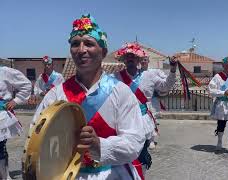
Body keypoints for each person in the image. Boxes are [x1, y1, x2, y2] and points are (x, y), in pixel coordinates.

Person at [31, 14, 145, 180]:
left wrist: (99, 145)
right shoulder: (56, 94)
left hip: (111, 173)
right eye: (75, 44)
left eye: (89, 44)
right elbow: (37, 136)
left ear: (103, 51)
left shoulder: (120, 92)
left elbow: (134, 142)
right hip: (66, 174)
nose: (81, 50)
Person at [113, 43, 177, 172]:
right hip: (122, 122)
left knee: (141, 156)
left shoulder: (149, 76)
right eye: (127, 56)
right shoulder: (115, 77)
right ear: (124, 59)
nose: (130, 58)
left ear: (139, 59)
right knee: (123, 159)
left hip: (142, 122)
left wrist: (173, 70)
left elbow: (165, 86)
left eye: (133, 56)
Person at [0, 66, 32, 179]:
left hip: (1, 117)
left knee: (0, 147)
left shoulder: (4, 71)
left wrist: (16, 100)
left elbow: (26, 84)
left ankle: (4, 176)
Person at [208, 56, 228, 155]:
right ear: (223, 65)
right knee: (221, 125)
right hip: (222, 105)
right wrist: (223, 93)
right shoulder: (217, 77)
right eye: (227, 65)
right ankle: (219, 142)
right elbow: (211, 90)